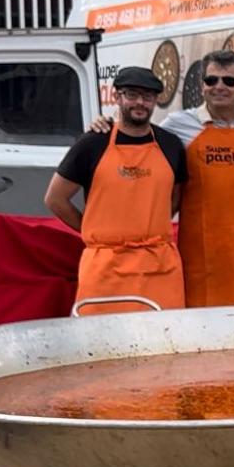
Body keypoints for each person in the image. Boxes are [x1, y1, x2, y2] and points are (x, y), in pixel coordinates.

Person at [45, 67, 186, 313]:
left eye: (148, 96)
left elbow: (176, 197)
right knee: (101, 344)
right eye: (132, 95)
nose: (140, 102)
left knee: (164, 343)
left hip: (159, 266)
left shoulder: (170, 145)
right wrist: (92, 230)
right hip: (105, 268)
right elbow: (55, 199)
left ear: (155, 101)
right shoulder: (92, 143)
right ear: (117, 97)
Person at [161, 50, 234, 307]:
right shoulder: (177, 125)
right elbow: (137, 138)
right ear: (202, 86)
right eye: (211, 80)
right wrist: (102, 127)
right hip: (202, 251)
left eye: (229, 81)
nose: (219, 87)